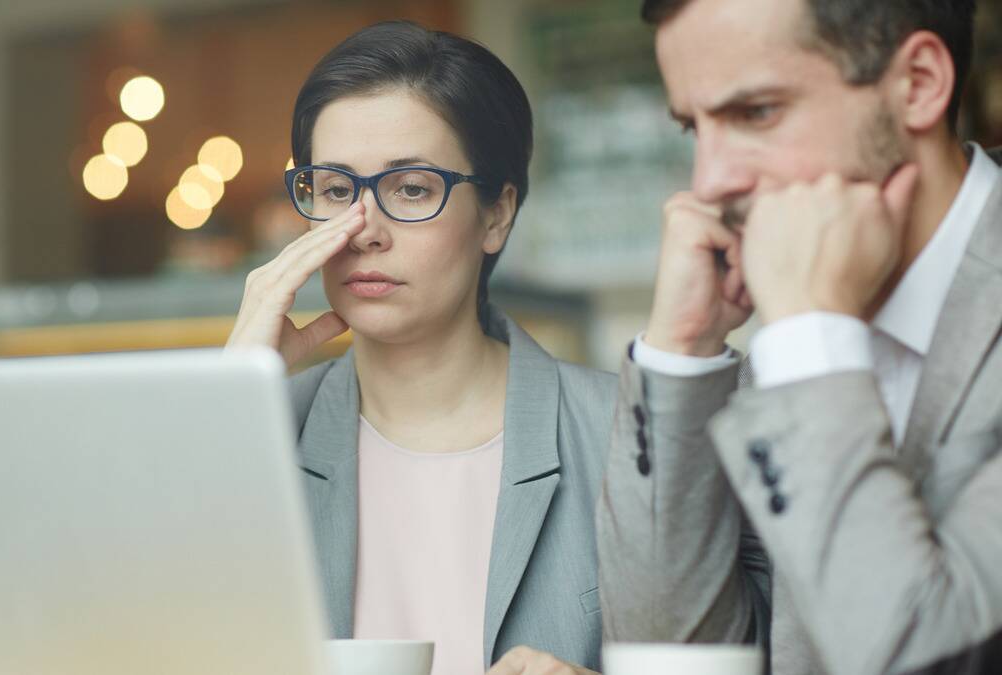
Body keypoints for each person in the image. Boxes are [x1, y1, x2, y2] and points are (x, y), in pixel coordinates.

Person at [594, 1, 1002, 674]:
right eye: (692, 127)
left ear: (921, 82)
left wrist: (810, 338)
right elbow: (671, 657)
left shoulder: (800, 347)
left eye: (755, 113)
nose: (709, 182)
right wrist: (683, 349)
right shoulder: (785, 349)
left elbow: (934, 654)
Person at [226, 21, 612, 675]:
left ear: (497, 214)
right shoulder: (252, 434)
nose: (364, 232)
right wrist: (227, 399)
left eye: (411, 188)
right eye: (337, 190)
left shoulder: (624, 432)